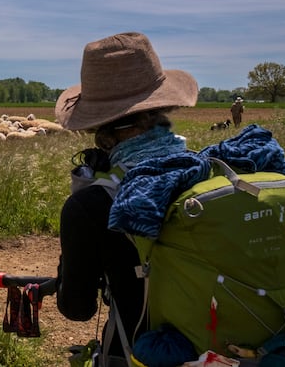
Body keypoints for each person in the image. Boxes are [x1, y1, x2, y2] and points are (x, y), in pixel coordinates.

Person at [53, 32, 199, 365]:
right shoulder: (206, 172)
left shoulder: (92, 205)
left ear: (100, 130)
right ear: (162, 109)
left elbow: (77, 309)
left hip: (143, 354)